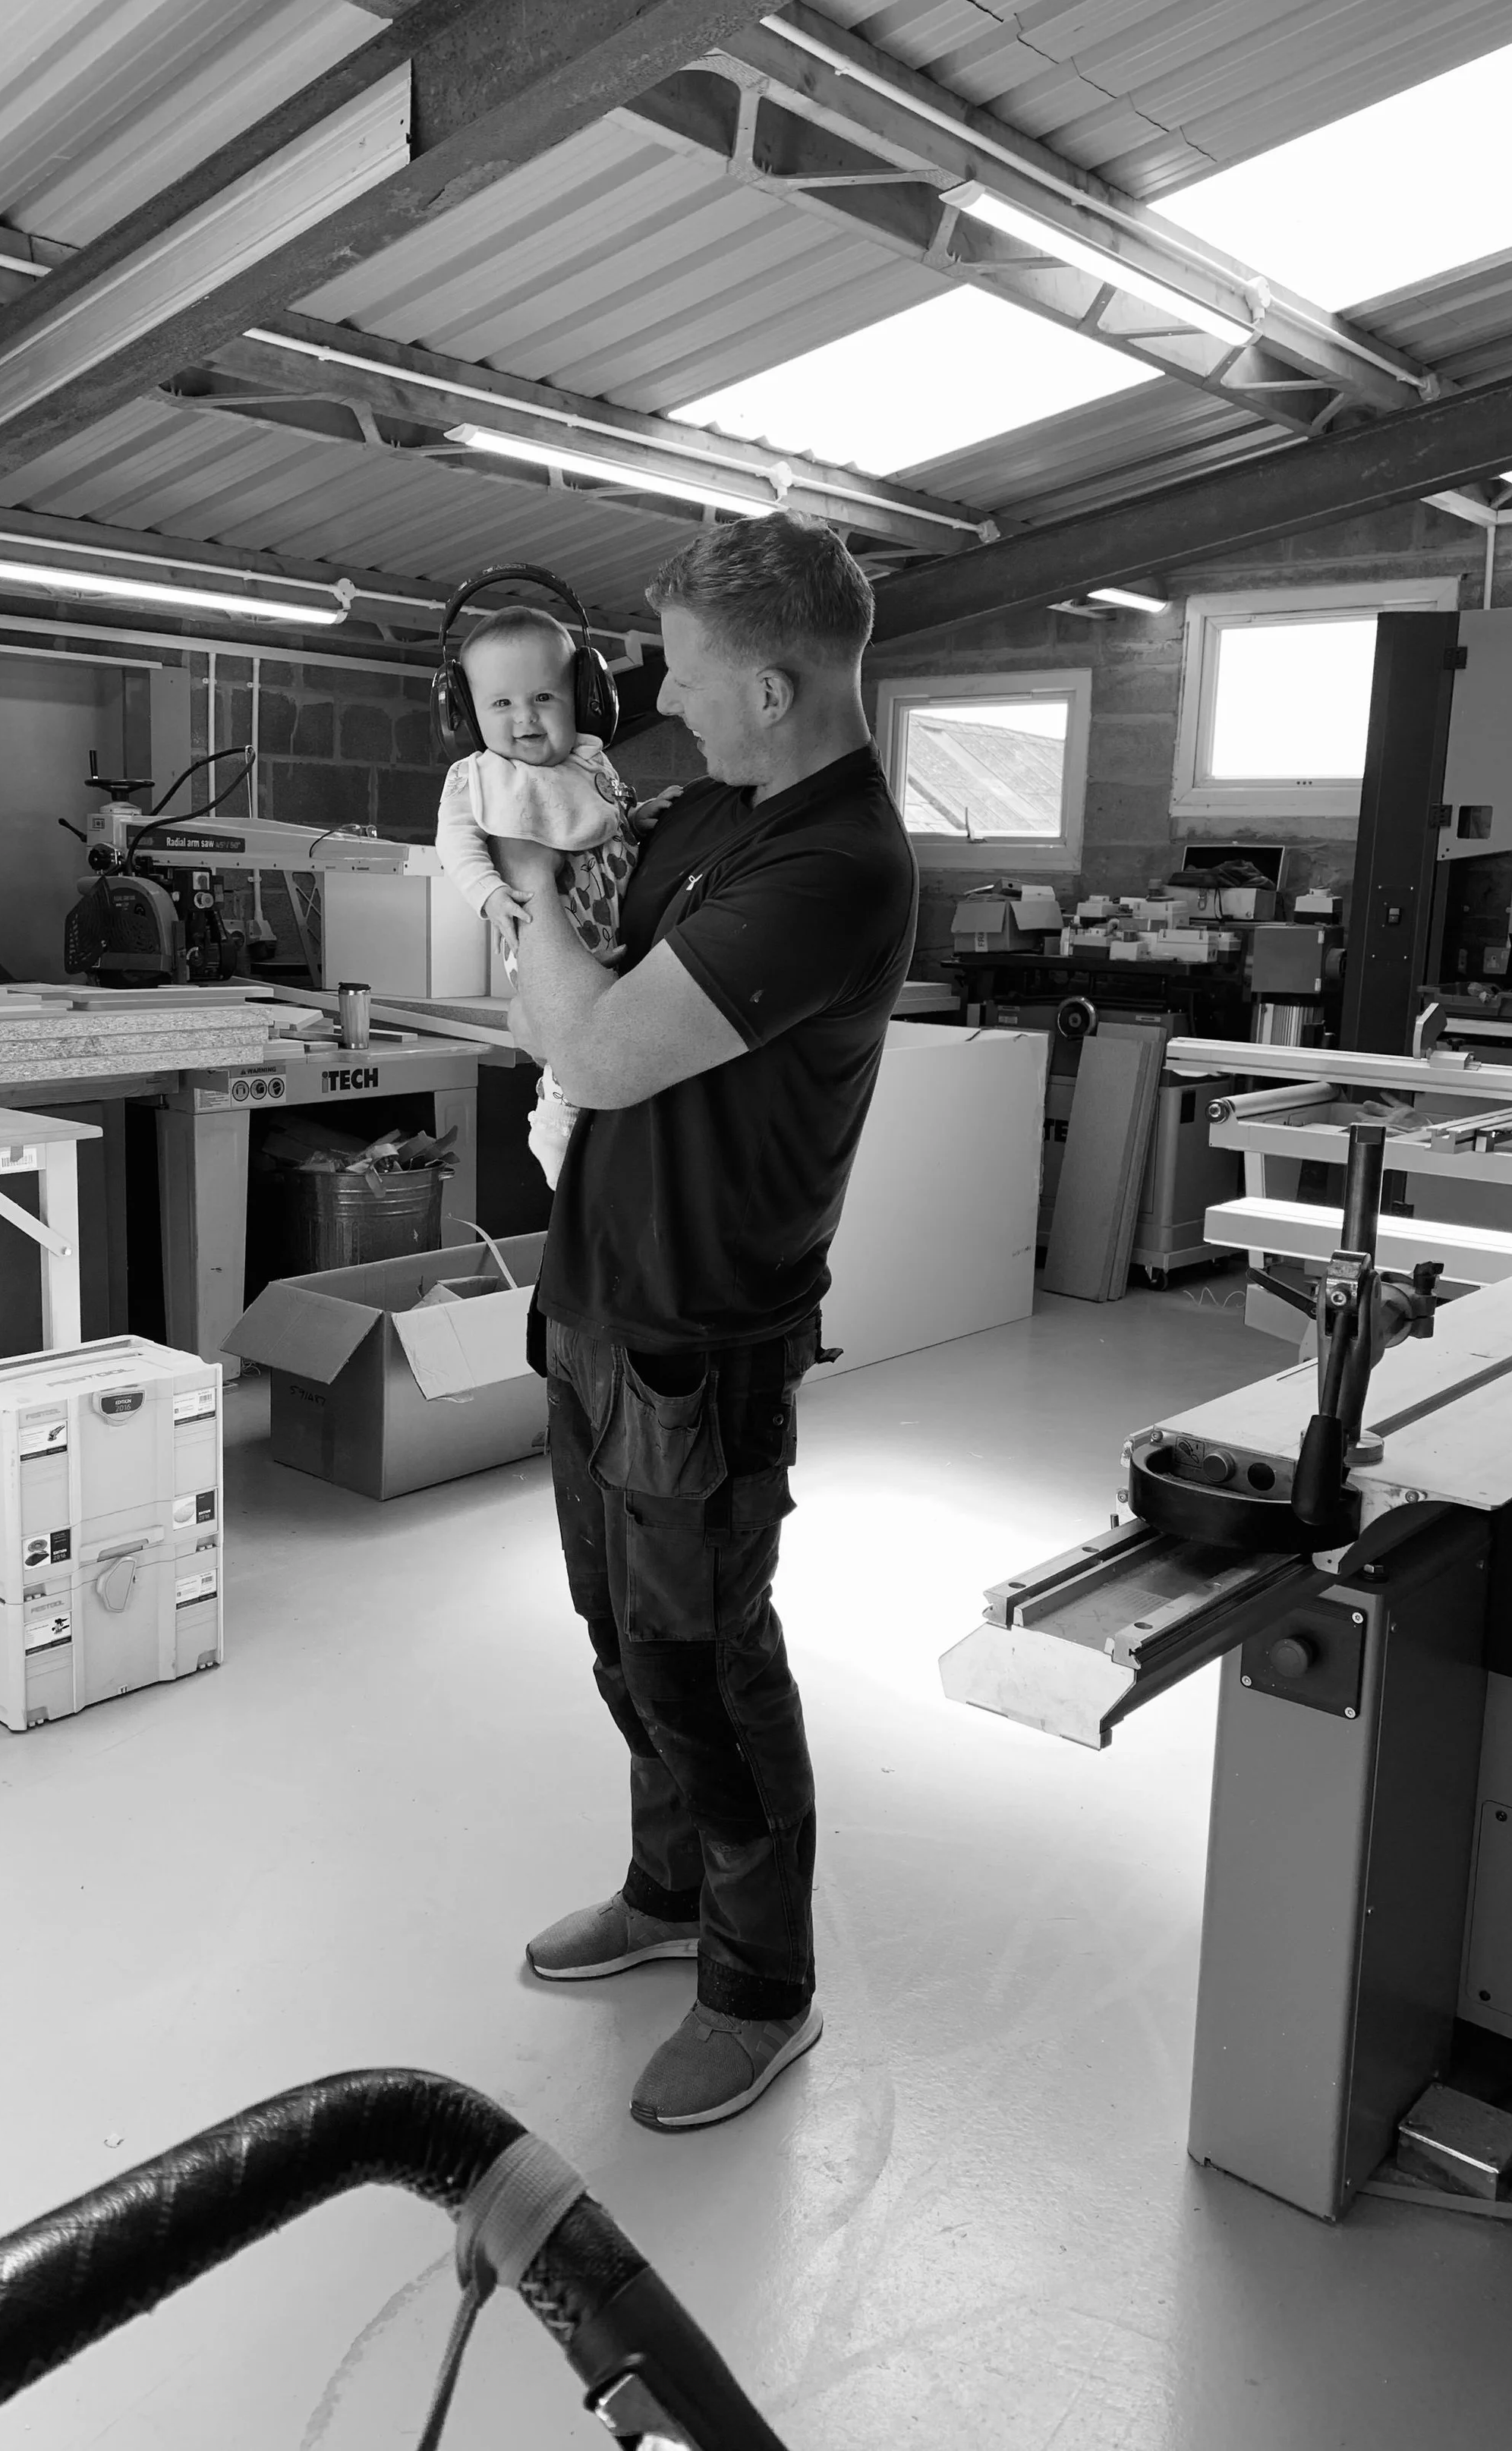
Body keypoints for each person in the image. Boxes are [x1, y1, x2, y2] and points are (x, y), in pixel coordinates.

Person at [492, 512, 919, 2131]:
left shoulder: (833, 865)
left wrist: (525, 891)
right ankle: (666, 1889)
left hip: (701, 1327)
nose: (653, 697)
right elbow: (577, 973)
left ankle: (758, 1986)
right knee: (620, 1634)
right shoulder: (705, 814)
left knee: (704, 1660)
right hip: (595, 1294)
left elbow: (590, 1048)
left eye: (681, 669)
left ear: (774, 684)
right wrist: (544, 869)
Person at [433, 604, 676, 1186]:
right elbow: (456, 844)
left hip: (610, 927)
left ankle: (593, 1125)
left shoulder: (590, 760)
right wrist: (490, 894)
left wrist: (637, 819)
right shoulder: (479, 778)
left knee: (610, 1035)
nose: (526, 719)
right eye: (501, 704)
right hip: (542, 929)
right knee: (568, 1034)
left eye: (544, 697)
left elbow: (605, 818)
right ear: (468, 714)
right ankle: (556, 1122)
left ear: (583, 697)